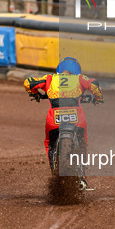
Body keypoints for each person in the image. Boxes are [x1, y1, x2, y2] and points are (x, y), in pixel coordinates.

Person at [23, 57, 103, 190]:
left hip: (54, 120)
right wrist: (98, 98)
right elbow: (94, 84)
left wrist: (35, 94)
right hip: (77, 119)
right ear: (76, 70)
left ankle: (55, 175)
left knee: (50, 143)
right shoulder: (79, 79)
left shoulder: (50, 79)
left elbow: (28, 83)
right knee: (83, 143)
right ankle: (82, 177)